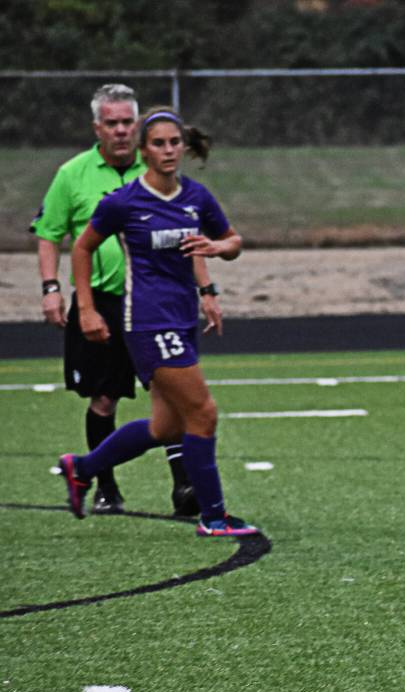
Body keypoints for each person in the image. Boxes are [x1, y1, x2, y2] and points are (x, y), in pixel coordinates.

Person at [55, 106, 259, 538]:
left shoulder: (196, 197)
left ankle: (82, 468)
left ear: (184, 147)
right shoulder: (125, 202)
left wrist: (219, 251)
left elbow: (233, 240)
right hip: (148, 321)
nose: (168, 151)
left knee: (165, 427)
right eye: (158, 144)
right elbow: (82, 248)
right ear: (144, 152)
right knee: (203, 412)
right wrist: (87, 308)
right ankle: (214, 516)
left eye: (174, 143)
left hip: (182, 318)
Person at [31, 84, 220, 517]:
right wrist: (56, 291)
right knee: (106, 398)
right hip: (101, 303)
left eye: (126, 122)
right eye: (111, 123)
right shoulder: (73, 174)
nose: (119, 131)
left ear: (137, 127)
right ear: (97, 127)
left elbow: (186, 237)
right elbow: (52, 235)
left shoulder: (158, 166)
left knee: (172, 403)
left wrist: (207, 289)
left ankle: (186, 489)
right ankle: (103, 487)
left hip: (156, 306)